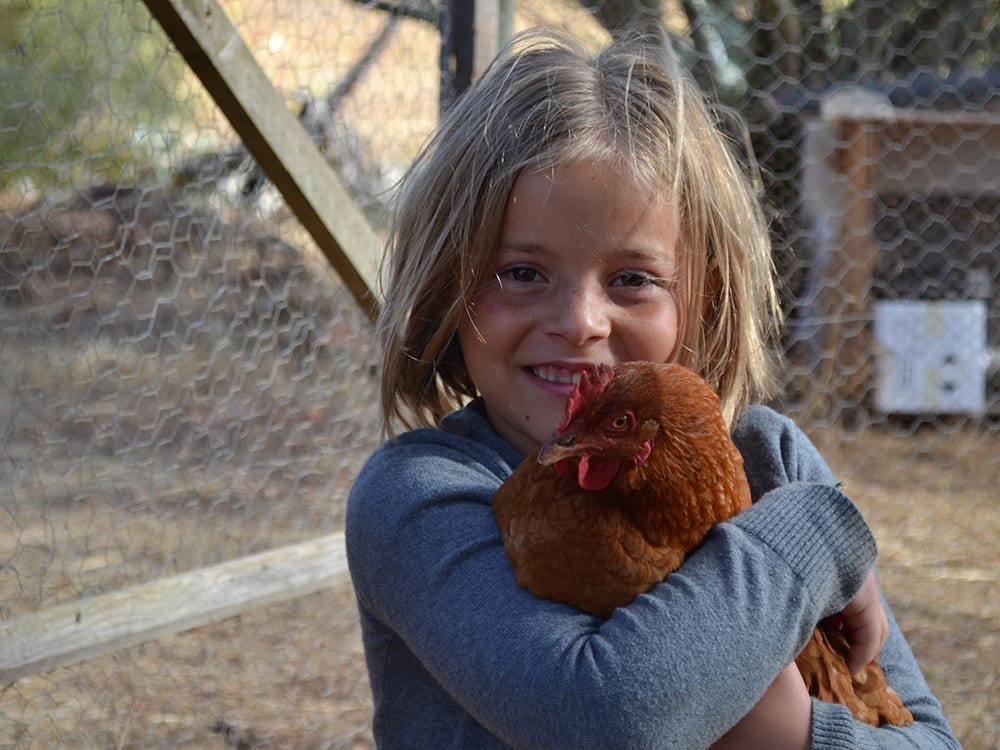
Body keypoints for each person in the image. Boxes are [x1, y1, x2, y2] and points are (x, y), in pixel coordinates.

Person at [345, 28, 959, 749]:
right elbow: (606, 719)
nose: (579, 323)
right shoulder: (421, 496)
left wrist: (798, 736)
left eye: (632, 279)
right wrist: (820, 535)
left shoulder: (770, 462)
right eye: (521, 273)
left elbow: (930, 740)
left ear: (703, 296)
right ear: (449, 286)